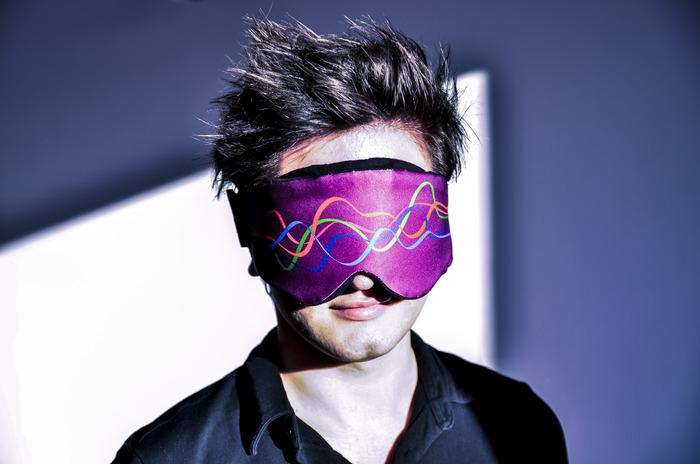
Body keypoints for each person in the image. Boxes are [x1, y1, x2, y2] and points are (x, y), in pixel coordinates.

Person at [112, 16, 567, 464]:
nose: (364, 280)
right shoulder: (167, 460)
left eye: (397, 225)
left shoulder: (519, 430)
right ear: (248, 228)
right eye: (317, 230)